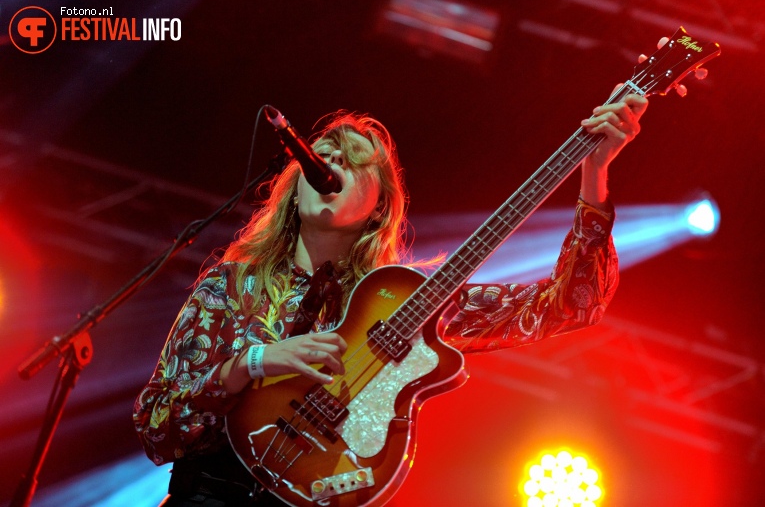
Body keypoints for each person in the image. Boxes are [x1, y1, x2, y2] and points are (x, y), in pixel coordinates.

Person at [133, 93, 648, 505]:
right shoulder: (228, 287)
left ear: (380, 206)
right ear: (295, 188)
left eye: (351, 162)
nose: (328, 164)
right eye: (320, 156)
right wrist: (250, 363)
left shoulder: (408, 302)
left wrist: (594, 174)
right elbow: (156, 429)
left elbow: (570, 306)